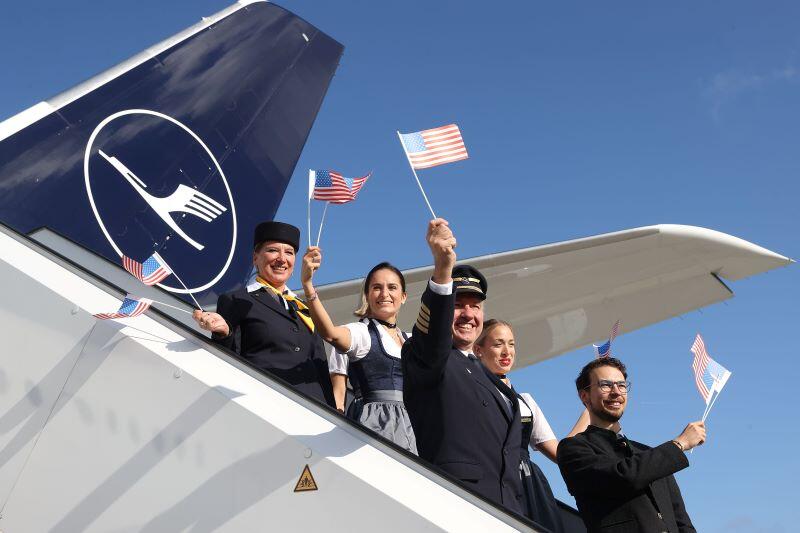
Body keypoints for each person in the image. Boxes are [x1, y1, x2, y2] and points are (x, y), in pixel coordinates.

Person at [402, 218, 524, 515]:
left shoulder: (489, 375)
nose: (468, 314)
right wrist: (443, 269)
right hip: (458, 501)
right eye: (458, 304)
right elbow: (431, 339)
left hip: (508, 509)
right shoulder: (429, 356)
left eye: (476, 306)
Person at [193, 221, 335, 408]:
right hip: (264, 403)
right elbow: (227, 361)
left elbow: (321, 368)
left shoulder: (305, 308)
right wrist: (223, 334)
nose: (282, 259)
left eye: (289, 253)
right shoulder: (238, 300)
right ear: (255, 258)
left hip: (314, 411)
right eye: (273, 250)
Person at [557, 357, 703, 533]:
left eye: (622, 385)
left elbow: (681, 521)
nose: (616, 392)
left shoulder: (649, 453)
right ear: (584, 396)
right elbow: (624, 476)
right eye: (605, 385)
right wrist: (680, 443)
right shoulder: (573, 449)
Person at [475, 319, 589, 531]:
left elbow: (560, 454)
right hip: (493, 477)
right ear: (478, 349)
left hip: (527, 483)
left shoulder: (525, 401)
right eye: (498, 344)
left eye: (511, 344)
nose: (506, 351)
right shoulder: (471, 393)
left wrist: (589, 412)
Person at [300, 247, 417, 454]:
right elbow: (330, 334)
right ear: (367, 295)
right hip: (374, 422)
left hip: (412, 424)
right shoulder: (361, 333)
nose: (385, 294)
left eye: (392, 287)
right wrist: (308, 286)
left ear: (404, 296)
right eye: (377, 288)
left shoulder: (411, 340)